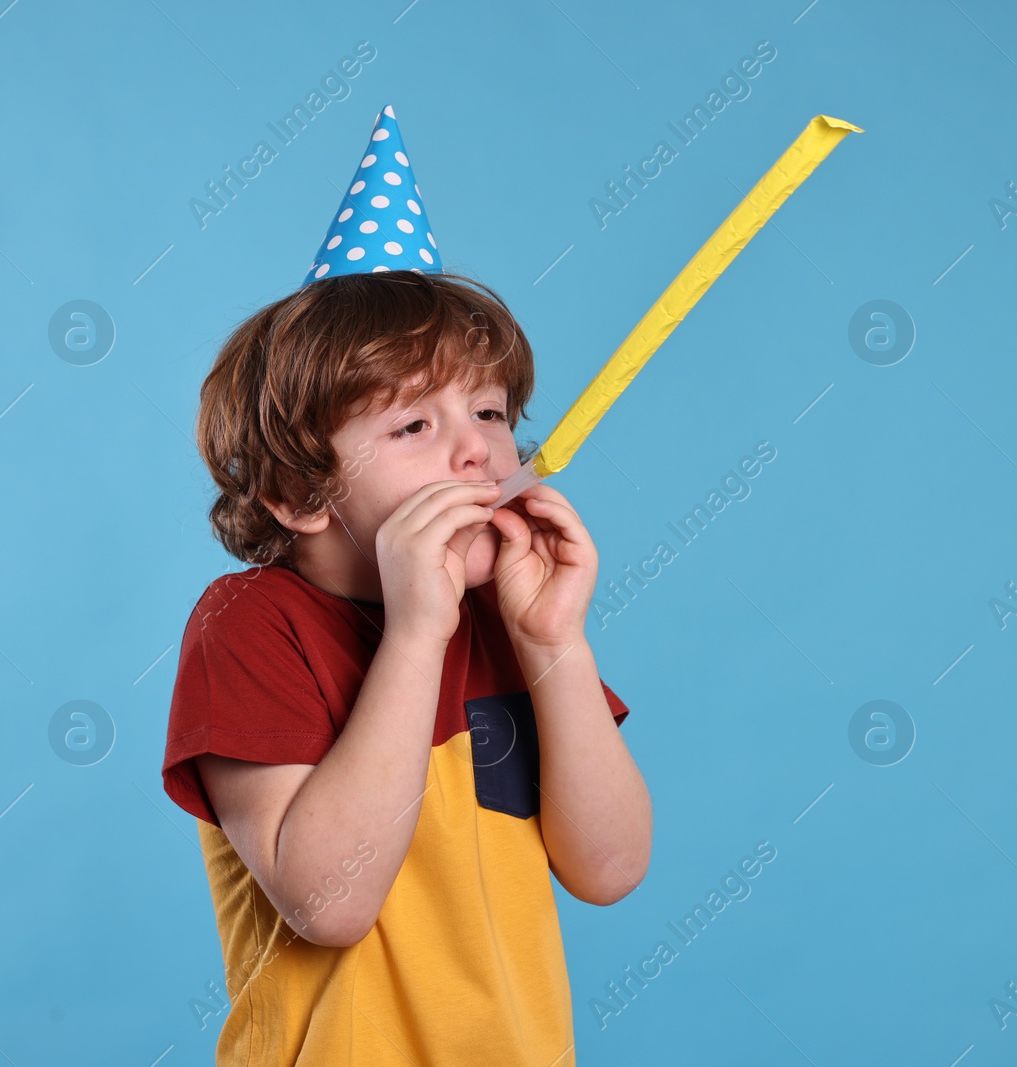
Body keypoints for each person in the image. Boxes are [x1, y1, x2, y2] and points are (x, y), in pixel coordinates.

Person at [160, 265, 651, 1065]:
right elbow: (330, 902)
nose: (478, 451)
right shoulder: (249, 622)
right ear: (300, 489)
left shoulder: (506, 622)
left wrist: (555, 639)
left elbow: (609, 867)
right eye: (414, 426)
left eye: (491, 412)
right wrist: (418, 634)